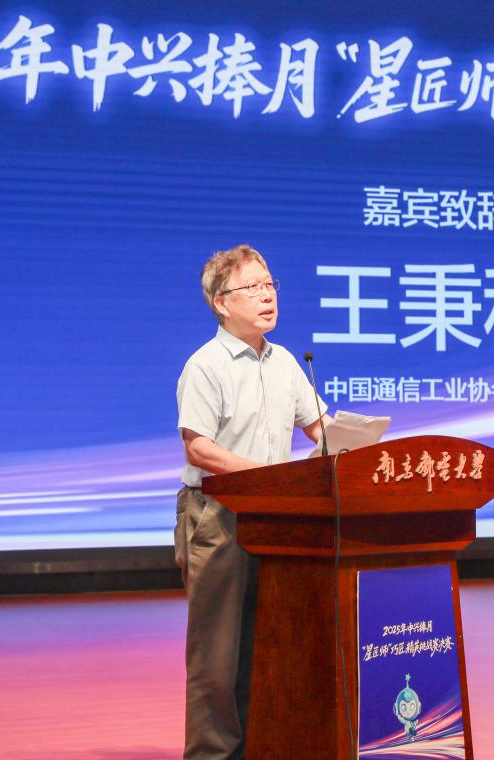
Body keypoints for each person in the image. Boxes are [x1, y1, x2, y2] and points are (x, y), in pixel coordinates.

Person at [175, 244, 328, 760]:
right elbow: (199, 448)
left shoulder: (285, 361)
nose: (267, 296)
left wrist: (354, 442)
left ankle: (263, 745)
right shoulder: (206, 365)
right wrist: (267, 476)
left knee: (270, 640)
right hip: (217, 515)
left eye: (270, 285)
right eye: (253, 287)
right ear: (222, 303)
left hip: (276, 517)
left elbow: (319, 428)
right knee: (217, 654)